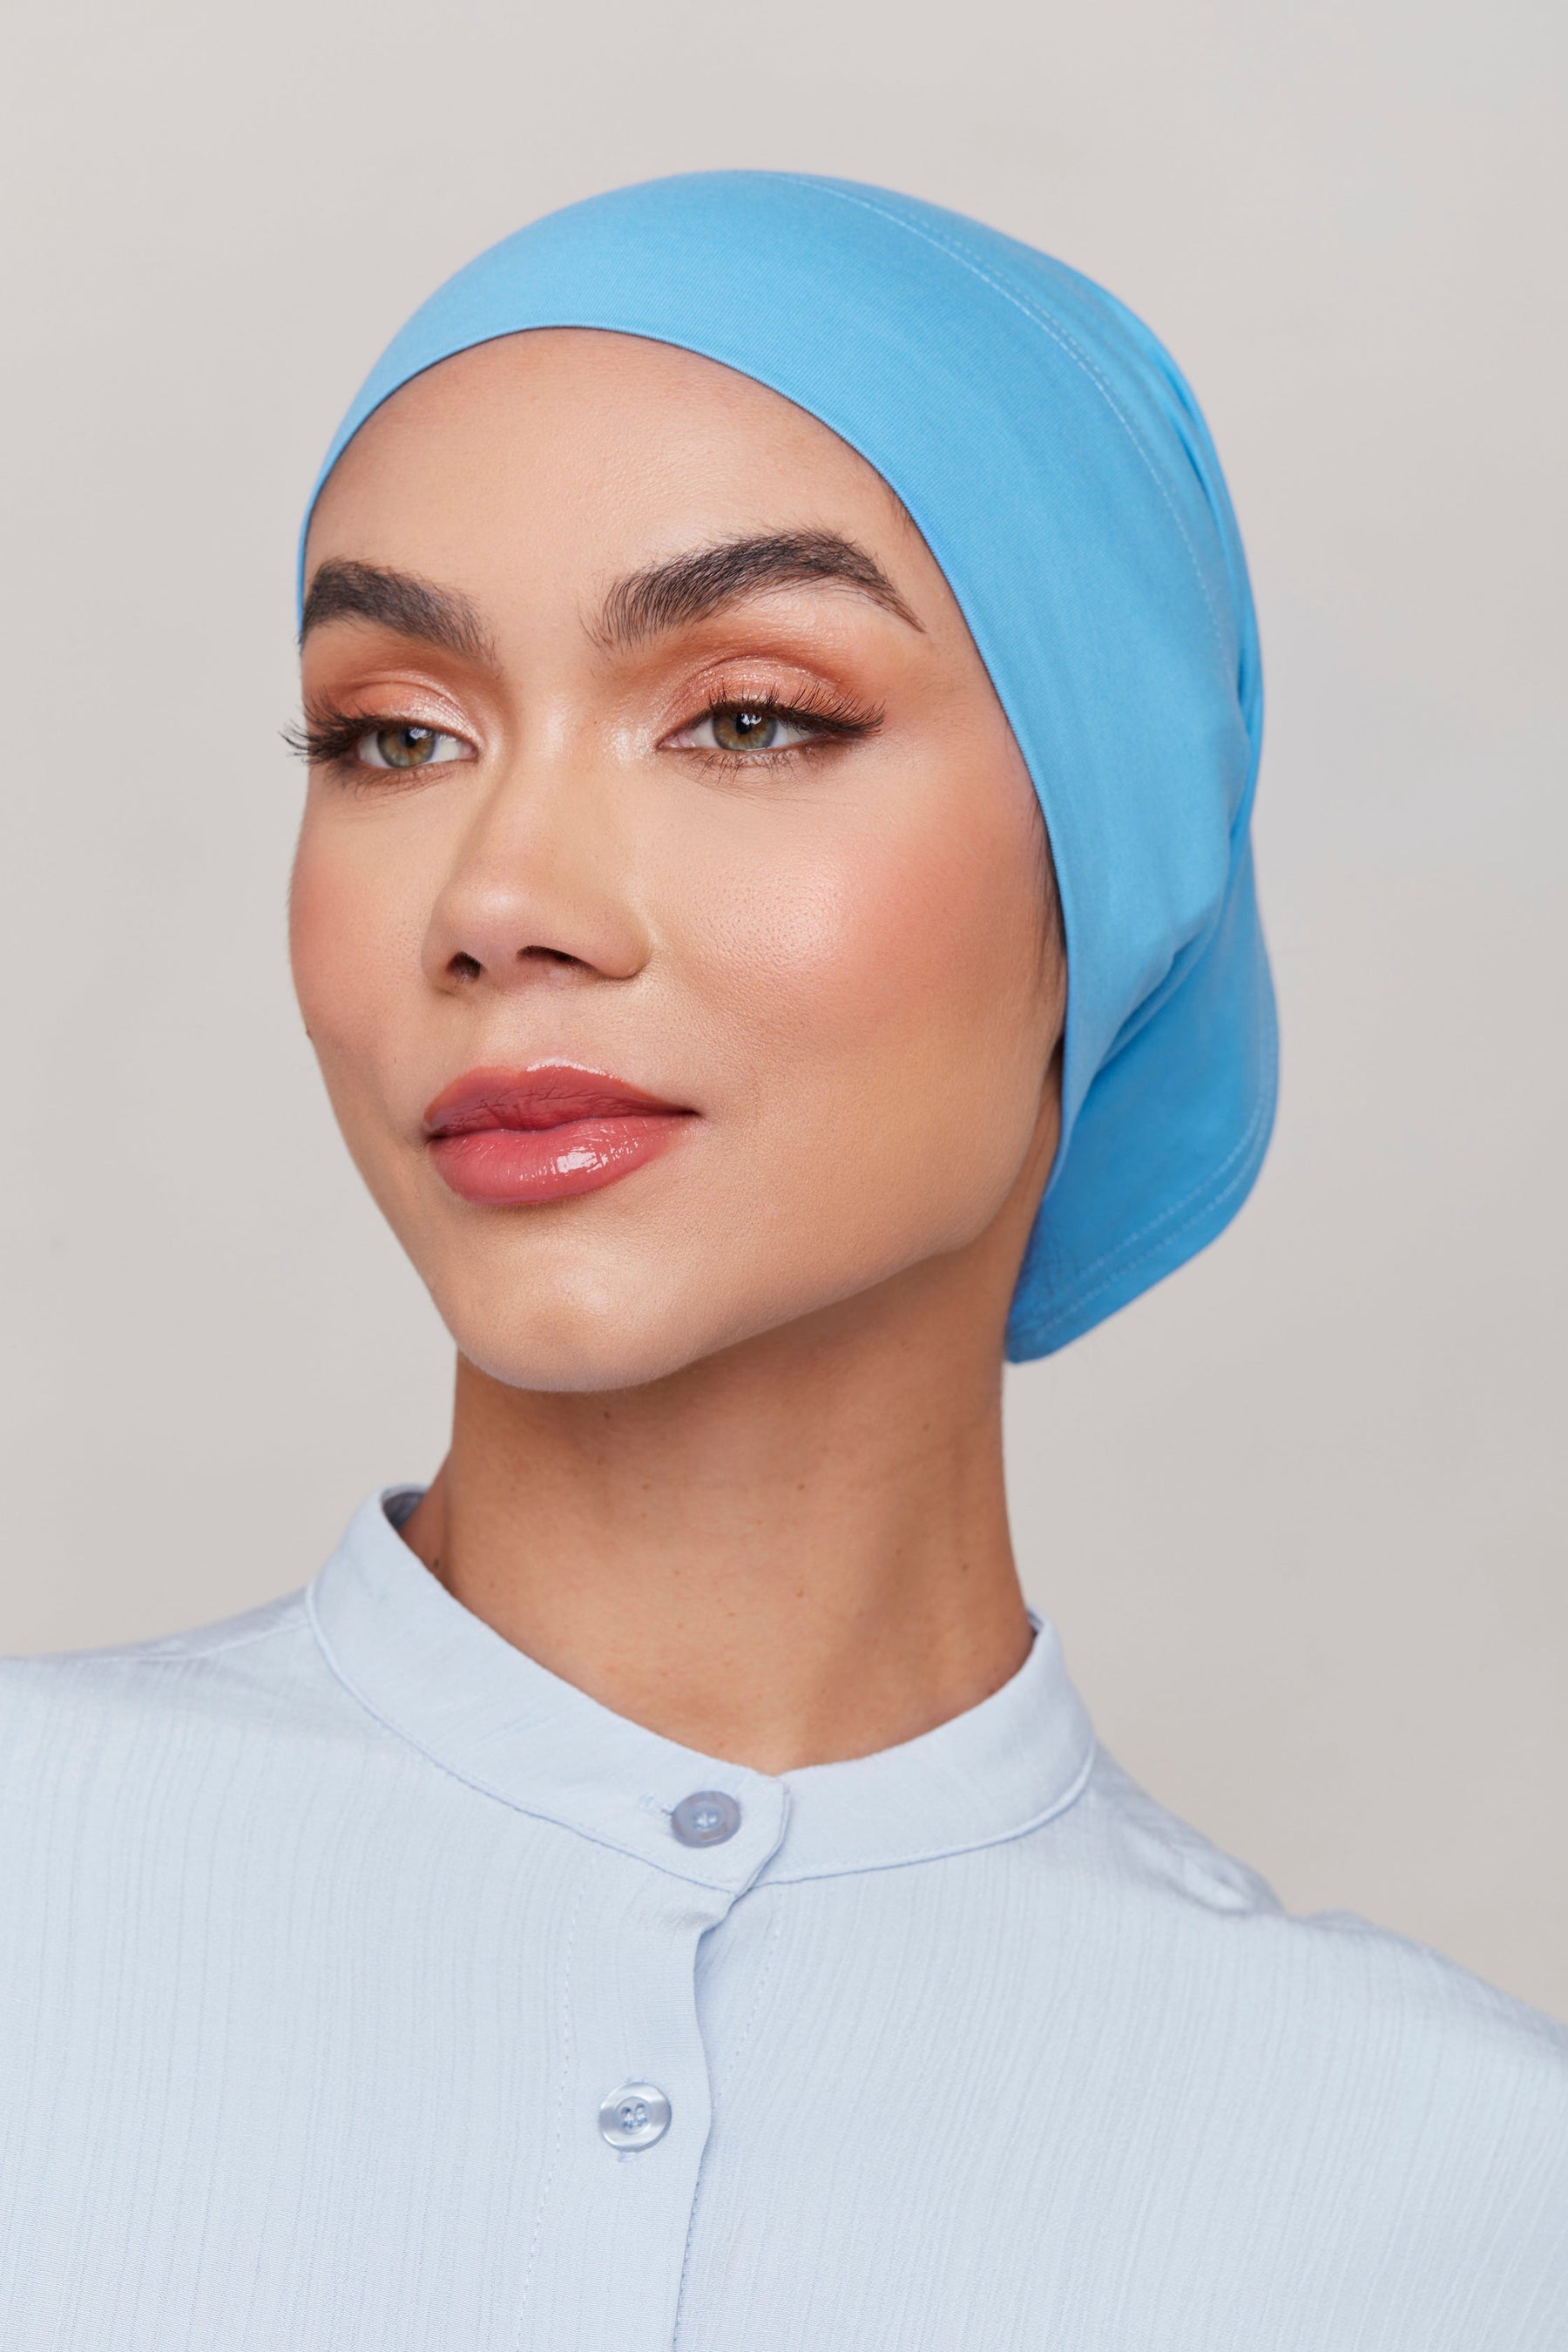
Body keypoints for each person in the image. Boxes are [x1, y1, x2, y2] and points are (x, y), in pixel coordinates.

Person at [0, 172, 1561, 2349]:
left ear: (1115, 863)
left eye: (749, 716)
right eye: (395, 734)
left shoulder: (1460, 2196)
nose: (500, 897)